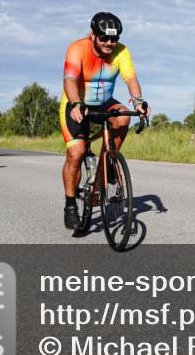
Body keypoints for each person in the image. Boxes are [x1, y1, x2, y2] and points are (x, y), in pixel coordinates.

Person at [60, 12, 149, 230]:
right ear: (93, 35)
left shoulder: (122, 51)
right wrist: (75, 103)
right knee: (76, 153)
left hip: (103, 102)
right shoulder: (77, 48)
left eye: (114, 38)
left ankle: (107, 164)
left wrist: (139, 101)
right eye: (104, 38)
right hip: (77, 102)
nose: (110, 43)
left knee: (123, 116)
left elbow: (131, 78)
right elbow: (70, 79)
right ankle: (70, 205)